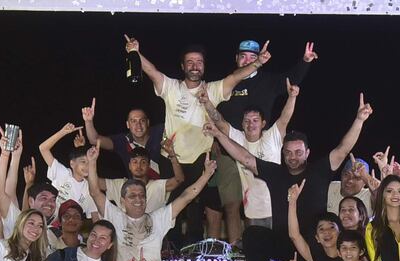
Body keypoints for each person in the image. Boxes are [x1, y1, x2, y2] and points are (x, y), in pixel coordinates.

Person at [207, 93, 373, 261]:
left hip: (314, 244)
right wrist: (218, 135)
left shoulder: (319, 170)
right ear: (282, 153)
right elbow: (244, 157)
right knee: (253, 235)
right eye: (288, 152)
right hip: (283, 243)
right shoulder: (275, 172)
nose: (293, 157)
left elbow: (343, 148)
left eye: (298, 152)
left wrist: (359, 120)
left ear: (307, 153)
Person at [124, 35, 271, 243]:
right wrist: (136, 53)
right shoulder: (172, 87)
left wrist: (257, 62)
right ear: (183, 66)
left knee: (196, 212)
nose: (195, 66)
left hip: (201, 160)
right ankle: (168, 252)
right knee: (170, 211)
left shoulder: (212, 89)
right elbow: (151, 71)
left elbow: (235, 78)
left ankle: (193, 256)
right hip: (171, 158)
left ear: (204, 66)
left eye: (199, 62)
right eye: (190, 62)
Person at [87, 144, 216, 261]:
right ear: (122, 201)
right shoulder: (115, 215)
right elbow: (95, 191)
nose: (138, 199)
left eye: (142, 196)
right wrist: (91, 162)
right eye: (132, 196)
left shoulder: (158, 218)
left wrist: (206, 174)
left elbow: (186, 196)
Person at [199, 78, 300, 242]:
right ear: (242, 123)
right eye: (246, 121)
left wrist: (292, 97)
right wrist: (207, 102)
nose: (250, 124)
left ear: (263, 123)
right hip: (252, 212)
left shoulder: (273, 136)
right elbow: (220, 122)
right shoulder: (238, 138)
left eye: (255, 120)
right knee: (256, 254)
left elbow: (285, 117)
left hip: (278, 208)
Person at [217, 39, 316, 129]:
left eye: (253, 57)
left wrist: (305, 61)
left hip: (261, 142)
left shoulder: (269, 81)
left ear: (259, 58)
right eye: (243, 56)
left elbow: (292, 79)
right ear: (236, 58)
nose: (247, 61)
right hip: (229, 142)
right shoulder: (224, 81)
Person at [82, 103, 171, 180]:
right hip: (138, 192)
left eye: (142, 120)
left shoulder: (160, 131)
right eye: (133, 121)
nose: (138, 125)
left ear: (147, 122)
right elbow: (94, 140)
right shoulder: (123, 141)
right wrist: (88, 121)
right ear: (128, 124)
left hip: (168, 187)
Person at [95, 144, 184, 214]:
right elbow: (95, 182)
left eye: (143, 162)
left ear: (149, 166)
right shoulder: (120, 185)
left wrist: (172, 155)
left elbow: (179, 179)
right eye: (135, 162)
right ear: (129, 166)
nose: (139, 166)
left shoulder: (157, 186)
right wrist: (90, 161)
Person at [38, 124, 99, 218]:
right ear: (72, 164)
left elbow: (94, 214)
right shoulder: (63, 173)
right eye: (83, 162)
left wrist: (81, 148)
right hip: (46, 222)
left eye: (89, 162)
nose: (87, 166)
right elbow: (43, 149)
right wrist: (63, 132)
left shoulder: (89, 187)